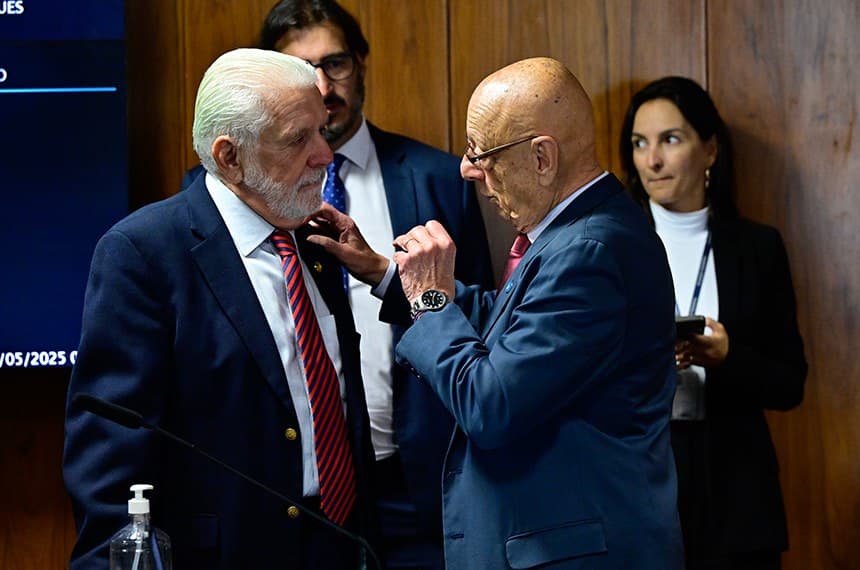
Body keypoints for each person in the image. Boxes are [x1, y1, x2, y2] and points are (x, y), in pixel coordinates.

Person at [309, 57, 684, 569]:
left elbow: (491, 404)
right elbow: (509, 325)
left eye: (481, 152)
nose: (467, 170)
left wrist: (430, 300)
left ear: (542, 157)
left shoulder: (590, 249)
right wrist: (383, 271)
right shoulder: (582, 229)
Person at [195, 1, 494, 567]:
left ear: (360, 65)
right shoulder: (218, 191)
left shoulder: (439, 178)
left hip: (421, 482)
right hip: (289, 496)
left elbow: (479, 318)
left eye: (335, 64)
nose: (322, 86)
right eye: (300, 70)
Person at [63, 48, 376, 569]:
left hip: (342, 544)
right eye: (299, 139)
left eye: (322, 130)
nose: (324, 154)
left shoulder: (316, 235)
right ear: (230, 156)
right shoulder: (143, 253)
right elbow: (111, 461)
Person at [619, 76, 807, 569]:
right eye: (640, 143)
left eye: (670, 140)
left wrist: (729, 358)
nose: (652, 160)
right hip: (640, 481)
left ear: (710, 151)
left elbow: (791, 383)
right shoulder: (611, 246)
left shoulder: (757, 247)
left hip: (736, 493)